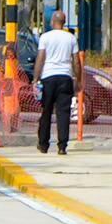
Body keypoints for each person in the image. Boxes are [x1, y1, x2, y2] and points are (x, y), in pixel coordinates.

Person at [33, 10, 82, 154]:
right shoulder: (71, 38)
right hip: (65, 78)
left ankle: (43, 144)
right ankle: (62, 146)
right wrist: (78, 80)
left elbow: (41, 58)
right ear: (64, 22)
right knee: (63, 113)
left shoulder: (45, 37)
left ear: (52, 21)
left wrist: (35, 79)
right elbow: (76, 61)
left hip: (48, 77)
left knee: (46, 111)